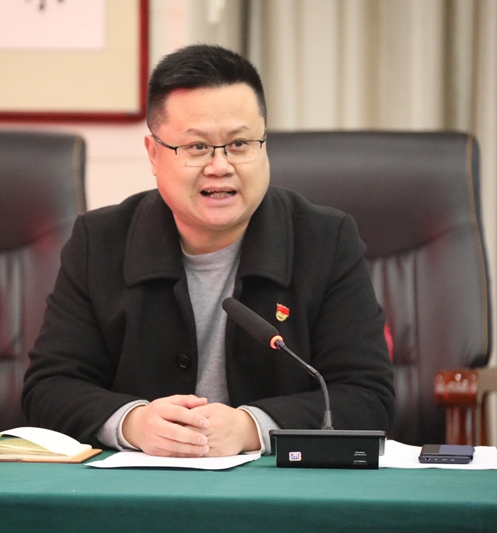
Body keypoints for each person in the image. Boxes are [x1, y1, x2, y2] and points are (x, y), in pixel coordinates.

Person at [22, 44, 395, 457]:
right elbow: (48, 389)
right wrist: (133, 423)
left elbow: (367, 396)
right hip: (140, 485)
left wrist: (253, 427)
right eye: (197, 147)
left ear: (264, 146)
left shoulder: (326, 241)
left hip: (277, 487)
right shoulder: (100, 242)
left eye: (240, 144)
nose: (220, 166)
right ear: (154, 154)